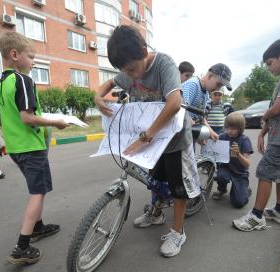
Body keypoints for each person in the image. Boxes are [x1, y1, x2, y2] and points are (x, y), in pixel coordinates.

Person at [95, 25, 212, 257]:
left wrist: (146, 136)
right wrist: (97, 96)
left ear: (143, 50)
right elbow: (110, 83)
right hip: (153, 142)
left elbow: (174, 104)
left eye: (132, 69)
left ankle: (178, 232)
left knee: (178, 189)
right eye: (125, 72)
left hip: (175, 139)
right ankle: (156, 213)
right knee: (157, 180)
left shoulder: (163, 64)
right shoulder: (129, 70)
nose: (131, 76)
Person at [0, 31, 70, 264]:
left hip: (16, 148)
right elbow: (28, 118)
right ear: (15, 54)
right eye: (31, 56)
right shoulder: (23, 80)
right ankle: (22, 247)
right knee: (38, 192)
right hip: (31, 147)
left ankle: (37, 227)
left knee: (38, 188)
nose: (34, 61)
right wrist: (56, 122)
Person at [134, 63, 233, 229]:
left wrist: (208, 131)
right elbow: (180, 109)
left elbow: (202, 116)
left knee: (176, 181)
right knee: (158, 179)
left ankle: (166, 220)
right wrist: (194, 129)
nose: (218, 88)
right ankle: (155, 212)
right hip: (172, 136)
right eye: (218, 83)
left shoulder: (205, 94)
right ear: (210, 75)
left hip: (183, 140)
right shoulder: (192, 85)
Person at [233, 39, 280, 231]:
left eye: (269, 63)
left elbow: (276, 109)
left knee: (265, 172)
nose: (268, 68)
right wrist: (262, 133)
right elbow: (278, 113)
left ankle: (256, 217)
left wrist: (264, 116)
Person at [211, 112, 253, 208]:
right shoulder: (222, 137)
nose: (229, 131)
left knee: (238, 203)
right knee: (221, 175)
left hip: (240, 173)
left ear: (240, 128)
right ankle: (222, 189)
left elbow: (247, 165)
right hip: (226, 169)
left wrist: (238, 154)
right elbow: (211, 144)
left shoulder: (245, 140)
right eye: (228, 127)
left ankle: (245, 189)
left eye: (233, 128)